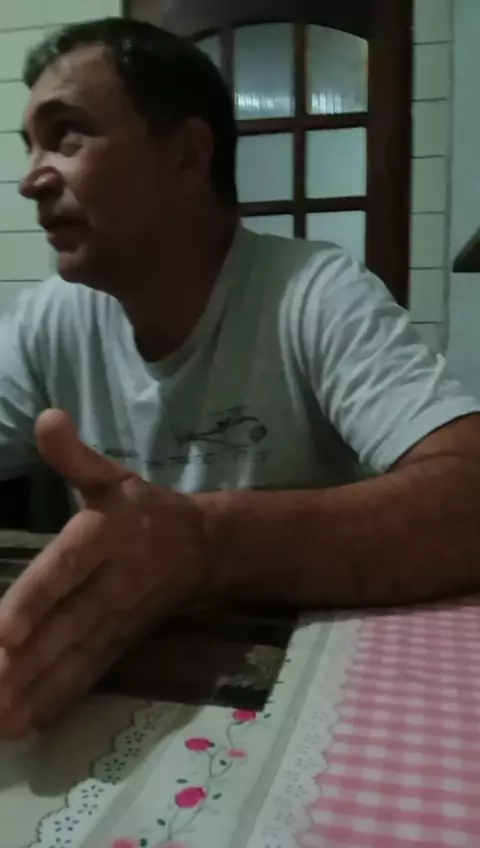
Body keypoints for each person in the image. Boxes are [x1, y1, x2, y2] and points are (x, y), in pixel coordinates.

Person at [0, 17, 479, 739]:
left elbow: (469, 497)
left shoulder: (313, 292)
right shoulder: (50, 318)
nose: (30, 179)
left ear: (188, 156)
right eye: (30, 146)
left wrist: (205, 542)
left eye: (66, 137)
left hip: (307, 708)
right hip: (117, 689)